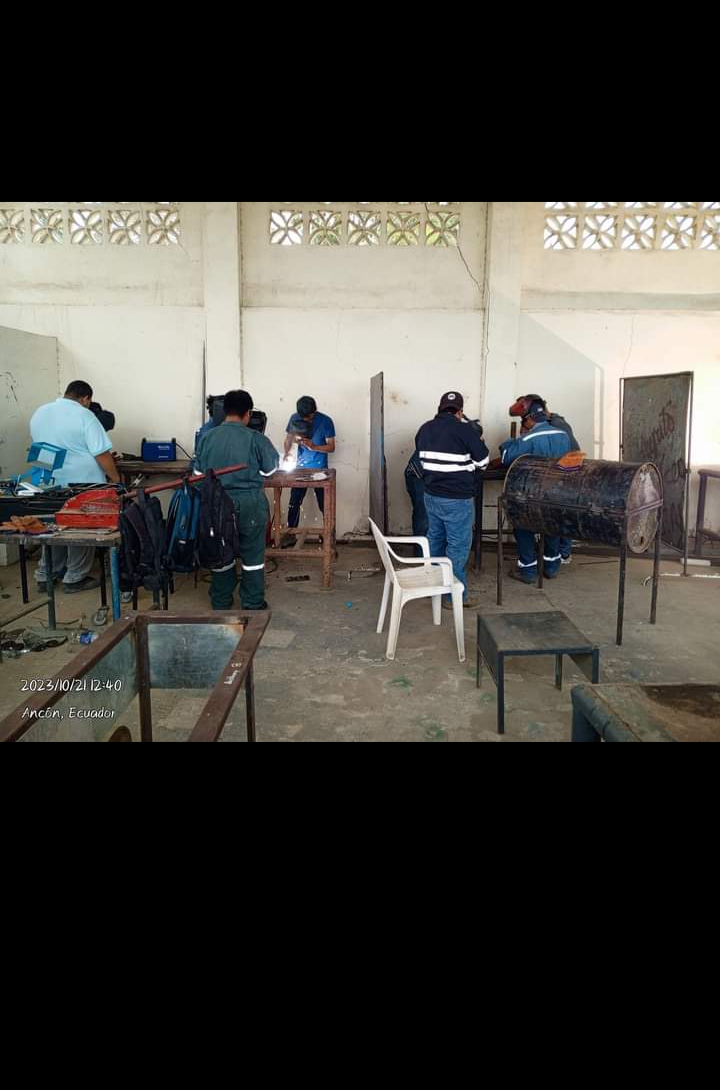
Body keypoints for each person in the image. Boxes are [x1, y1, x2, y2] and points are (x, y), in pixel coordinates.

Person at [30, 380, 120, 594]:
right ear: (86, 398)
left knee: (53, 529)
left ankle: (45, 575)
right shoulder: (84, 415)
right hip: (82, 483)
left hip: (49, 480)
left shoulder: (40, 412)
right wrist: (115, 479)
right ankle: (74, 578)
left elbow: (40, 447)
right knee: (80, 527)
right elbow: (101, 453)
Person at [196, 389, 279, 611]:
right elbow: (270, 470)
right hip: (250, 505)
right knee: (253, 556)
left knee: (221, 550)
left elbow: (197, 475)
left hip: (217, 505)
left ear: (224, 412)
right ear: (248, 413)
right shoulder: (256, 438)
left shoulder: (207, 438)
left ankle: (221, 600)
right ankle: (252, 602)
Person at [416, 391, 490, 609]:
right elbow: (483, 462)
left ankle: (434, 588)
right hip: (457, 499)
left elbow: (422, 459)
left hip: (431, 496)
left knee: (435, 540)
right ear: (460, 412)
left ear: (440, 409)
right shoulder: (465, 430)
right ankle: (455, 597)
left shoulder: (425, 429)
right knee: (457, 546)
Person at [500, 398, 572, 585]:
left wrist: (510, 442)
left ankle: (528, 570)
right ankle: (551, 567)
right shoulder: (563, 435)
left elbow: (505, 458)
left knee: (522, 526)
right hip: (557, 492)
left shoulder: (528, 438)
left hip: (531, 494)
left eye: (524, 420)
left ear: (530, 419)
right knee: (552, 526)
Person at [510, 395, 580, 564]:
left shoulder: (558, 425)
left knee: (556, 520)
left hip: (563, 477)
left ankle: (563, 554)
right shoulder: (553, 425)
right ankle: (553, 561)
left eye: (524, 419)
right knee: (553, 520)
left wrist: (523, 441)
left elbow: (570, 455)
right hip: (555, 480)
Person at [283, 396, 336, 543]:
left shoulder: (326, 421)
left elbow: (331, 447)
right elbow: (288, 439)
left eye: (309, 417)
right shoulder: (294, 418)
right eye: (303, 417)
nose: (306, 420)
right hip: (299, 469)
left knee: (324, 504)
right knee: (294, 503)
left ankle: (328, 535)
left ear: (314, 412)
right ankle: (290, 534)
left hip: (319, 470)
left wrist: (314, 447)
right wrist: (287, 452)